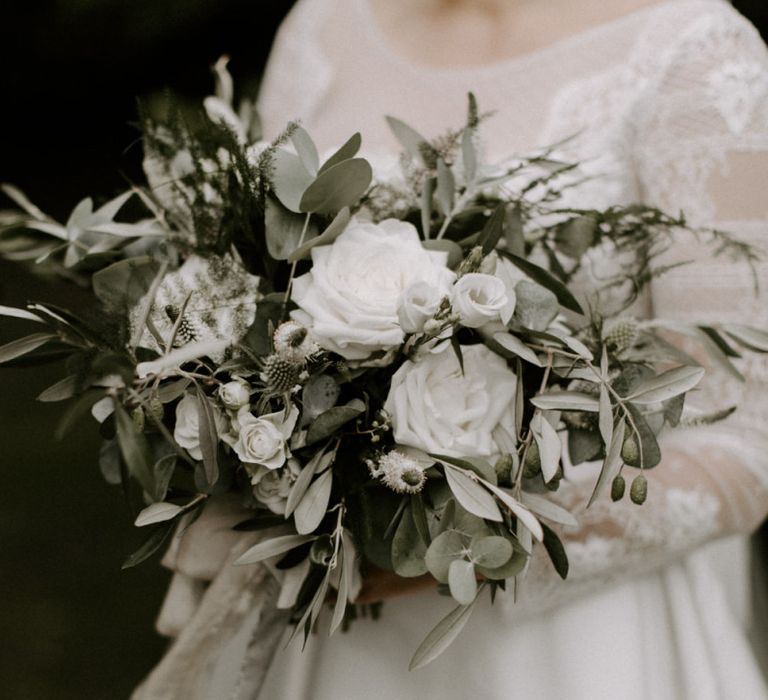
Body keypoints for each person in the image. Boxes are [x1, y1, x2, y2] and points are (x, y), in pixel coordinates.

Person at [135, 0, 768, 697]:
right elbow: (257, 282)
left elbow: (742, 440)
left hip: (574, 648)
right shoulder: (323, 26)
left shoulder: (695, 49)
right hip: (336, 622)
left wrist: (463, 549)